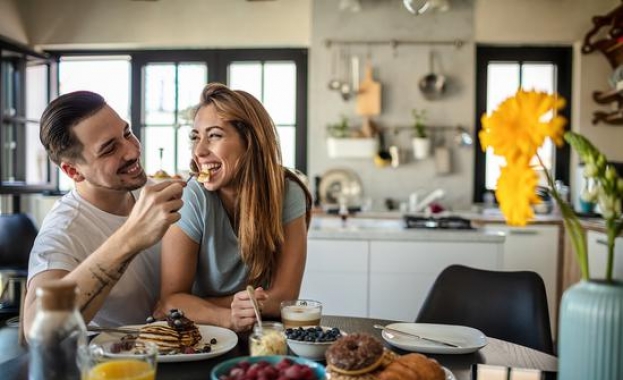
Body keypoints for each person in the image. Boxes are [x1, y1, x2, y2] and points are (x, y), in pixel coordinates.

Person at [155, 83, 312, 332]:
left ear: (250, 141)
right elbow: (169, 302)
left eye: (214, 135)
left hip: (261, 333)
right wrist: (228, 315)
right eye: (195, 137)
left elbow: (285, 297)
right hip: (202, 334)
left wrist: (201, 305)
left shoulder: (287, 193)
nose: (199, 151)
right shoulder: (194, 196)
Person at [24, 91, 186, 332]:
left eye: (127, 133)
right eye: (109, 149)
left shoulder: (158, 192)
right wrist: (130, 238)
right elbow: (36, 328)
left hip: (196, 349)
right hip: (119, 364)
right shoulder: (62, 231)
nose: (132, 151)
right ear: (73, 171)